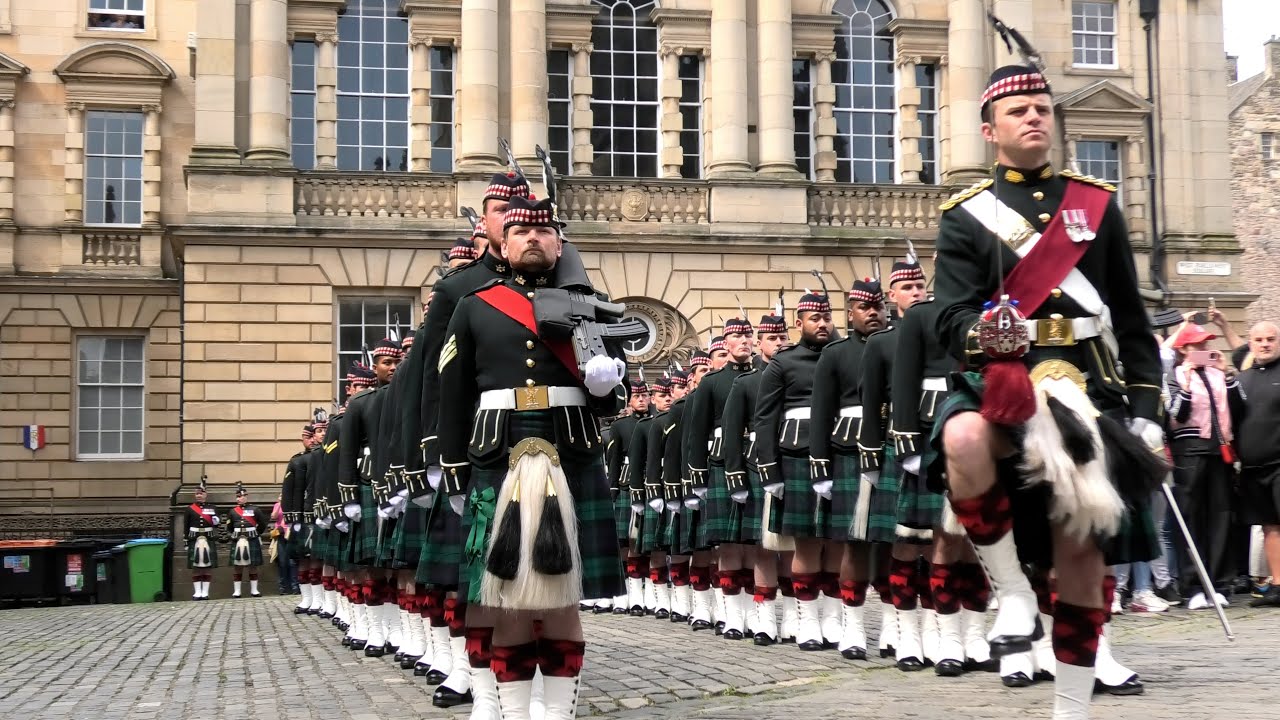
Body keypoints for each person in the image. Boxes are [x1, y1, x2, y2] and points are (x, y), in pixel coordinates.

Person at [931, 63, 1165, 718]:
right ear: (989, 130)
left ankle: (1072, 708)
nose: (1034, 117)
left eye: (1041, 107)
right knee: (962, 433)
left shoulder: (1094, 205)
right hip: (1003, 380)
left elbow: (1131, 318)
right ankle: (1009, 593)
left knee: (1080, 552)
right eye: (1018, 111)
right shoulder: (964, 216)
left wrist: (1145, 413)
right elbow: (947, 318)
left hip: (1087, 384)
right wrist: (987, 331)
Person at [438, 194, 627, 719]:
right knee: (502, 595)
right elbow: (451, 395)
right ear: (504, 239)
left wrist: (609, 384)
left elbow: (614, 394)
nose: (533, 239)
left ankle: (558, 712)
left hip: (573, 452)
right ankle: (515, 712)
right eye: (522, 231)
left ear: (559, 242)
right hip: (497, 454)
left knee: (564, 596)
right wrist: (452, 468)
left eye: (544, 232)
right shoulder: (474, 305)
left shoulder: (590, 302)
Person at [415, 169, 529, 713]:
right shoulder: (457, 289)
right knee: (473, 575)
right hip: (474, 450)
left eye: (518, 209)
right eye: (499, 211)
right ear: (484, 223)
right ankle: (466, 671)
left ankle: (529, 678)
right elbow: (431, 380)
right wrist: (433, 456)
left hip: (541, 448)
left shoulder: (556, 282)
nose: (510, 219)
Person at [858, 258, 937, 672]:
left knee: (942, 542)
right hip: (899, 441)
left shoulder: (942, 331)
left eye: (921, 286)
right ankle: (904, 628)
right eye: (908, 288)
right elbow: (871, 404)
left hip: (941, 439)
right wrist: (871, 458)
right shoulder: (882, 343)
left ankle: (938, 628)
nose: (917, 293)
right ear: (892, 296)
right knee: (903, 541)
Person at [806, 279, 885, 661]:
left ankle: (894, 628)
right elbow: (821, 414)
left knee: (893, 544)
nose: (873, 313)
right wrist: (820, 467)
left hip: (893, 445)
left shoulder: (899, 343)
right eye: (864, 308)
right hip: (848, 450)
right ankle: (852, 628)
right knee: (852, 543)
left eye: (878, 307)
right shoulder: (835, 354)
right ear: (850, 314)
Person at [754, 290, 837, 651]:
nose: (822, 323)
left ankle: (835, 616)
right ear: (799, 323)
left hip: (839, 450)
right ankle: (806, 619)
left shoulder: (843, 355)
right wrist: (769, 469)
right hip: (797, 455)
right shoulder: (783, 364)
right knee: (804, 541)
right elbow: (765, 418)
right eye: (814, 318)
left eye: (826, 317)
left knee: (838, 541)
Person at [686, 317, 758, 639]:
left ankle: (756, 615)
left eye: (747, 335)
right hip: (719, 462)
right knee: (728, 544)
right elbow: (696, 432)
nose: (743, 340)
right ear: (725, 344)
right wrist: (697, 477)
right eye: (736, 336)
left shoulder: (764, 377)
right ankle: (732, 616)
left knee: (755, 545)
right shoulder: (711, 383)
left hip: (755, 461)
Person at [723, 314, 791, 644]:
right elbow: (733, 434)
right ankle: (763, 617)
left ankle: (796, 616)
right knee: (764, 547)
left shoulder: (798, 374)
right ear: (760, 343)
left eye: (783, 337)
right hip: (757, 468)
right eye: (773, 338)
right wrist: (735, 477)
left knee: (796, 543)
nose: (780, 343)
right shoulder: (747, 382)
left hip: (794, 462)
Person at [1168, 322, 1244, 609]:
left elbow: (1239, 408)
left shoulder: (1218, 374)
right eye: (1196, 345)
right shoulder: (1174, 374)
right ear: (1183, 349)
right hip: (1189, 452)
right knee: (1191, 517)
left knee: (1221, 516)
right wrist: (1186, 384)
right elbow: (1175, 414)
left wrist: (1227, 374)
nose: (1203, 349)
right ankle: (1193, 586)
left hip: (1219, 451)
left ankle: (1220, 583)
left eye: (1206, 344)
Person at [600, 378, 651, 614]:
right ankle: (623, 593)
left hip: (648, 483)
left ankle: (639, 593)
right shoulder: (620, 426)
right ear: (629, 400)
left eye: (645, 395)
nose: (642, 400)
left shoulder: (655, 421)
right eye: (637, 396)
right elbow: (614, 461)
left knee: (640, 542)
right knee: (623, 541)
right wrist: (611, 489)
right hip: (625, 483)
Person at [1239, 322, 1280, 607]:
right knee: (1270, 527)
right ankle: (1278, 585)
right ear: (1250, 343)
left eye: (1270, 339)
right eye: (1259, 340)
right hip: (1254, 466)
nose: (1264, 344)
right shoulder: (1241, 380)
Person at [228, 482, 267, 598]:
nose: (241, 498)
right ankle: (237, 591)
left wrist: (256, 533)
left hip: (251, 539)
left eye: (243, 496)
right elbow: (229, 527)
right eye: (239, 496)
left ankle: (254, 590)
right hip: (238, 540)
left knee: (252, 565)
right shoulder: (232, 511)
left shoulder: (255, 509)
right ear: (236, 498)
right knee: (237, 566)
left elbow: (262, 524)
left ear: (247, 496)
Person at [185, 477, 219, 601]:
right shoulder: (189, 509)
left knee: (207, 566)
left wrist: (216, 520)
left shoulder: (212, 508)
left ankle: (205, 592)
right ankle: (197, 592)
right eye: (197, 493)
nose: (199, 495)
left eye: (201, 493)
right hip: (194, 539)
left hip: (208, 538)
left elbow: (216, 524)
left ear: (206, 494)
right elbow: (186, 526)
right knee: (196, 566)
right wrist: (186, 541)